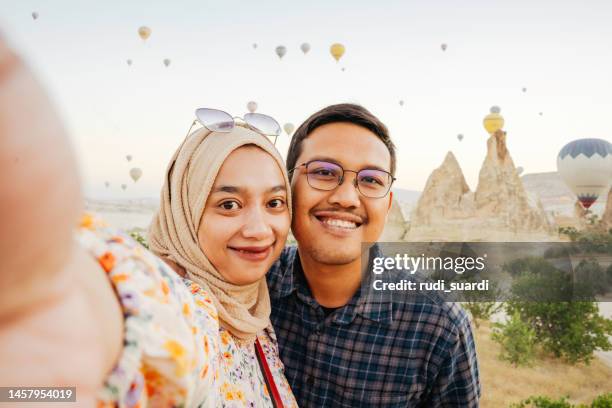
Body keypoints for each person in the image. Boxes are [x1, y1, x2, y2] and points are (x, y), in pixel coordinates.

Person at [0, 38, 297, 407]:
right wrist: (64, 304)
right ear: (183, 211)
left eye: (274, 202)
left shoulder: (256, 310)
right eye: (229, 204)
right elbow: (154, 319)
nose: (258, 228)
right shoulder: (192, 311)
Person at [266, 104, 481, 407]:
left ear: (388, 203)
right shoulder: (251, 286)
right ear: (287, 187)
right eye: (324, 172)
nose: (346, 198)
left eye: (370, 180)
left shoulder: (438, 325)